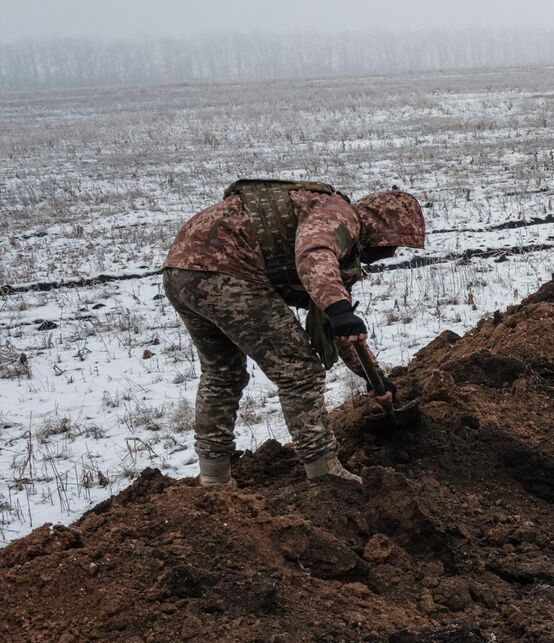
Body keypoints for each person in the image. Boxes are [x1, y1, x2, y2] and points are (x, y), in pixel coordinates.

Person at [162, 180, 426, 488]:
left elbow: (340, 329)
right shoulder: (340, 215)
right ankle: (323, 470)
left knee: (223, 373)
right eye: (391, 244)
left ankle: (214, 477)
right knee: (299, 369)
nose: (390, 252)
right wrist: (339, 307)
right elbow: (314, 253)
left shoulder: (335, 248)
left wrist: (373, 377)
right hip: (229, 269)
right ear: (380, 225)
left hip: (181, 269)